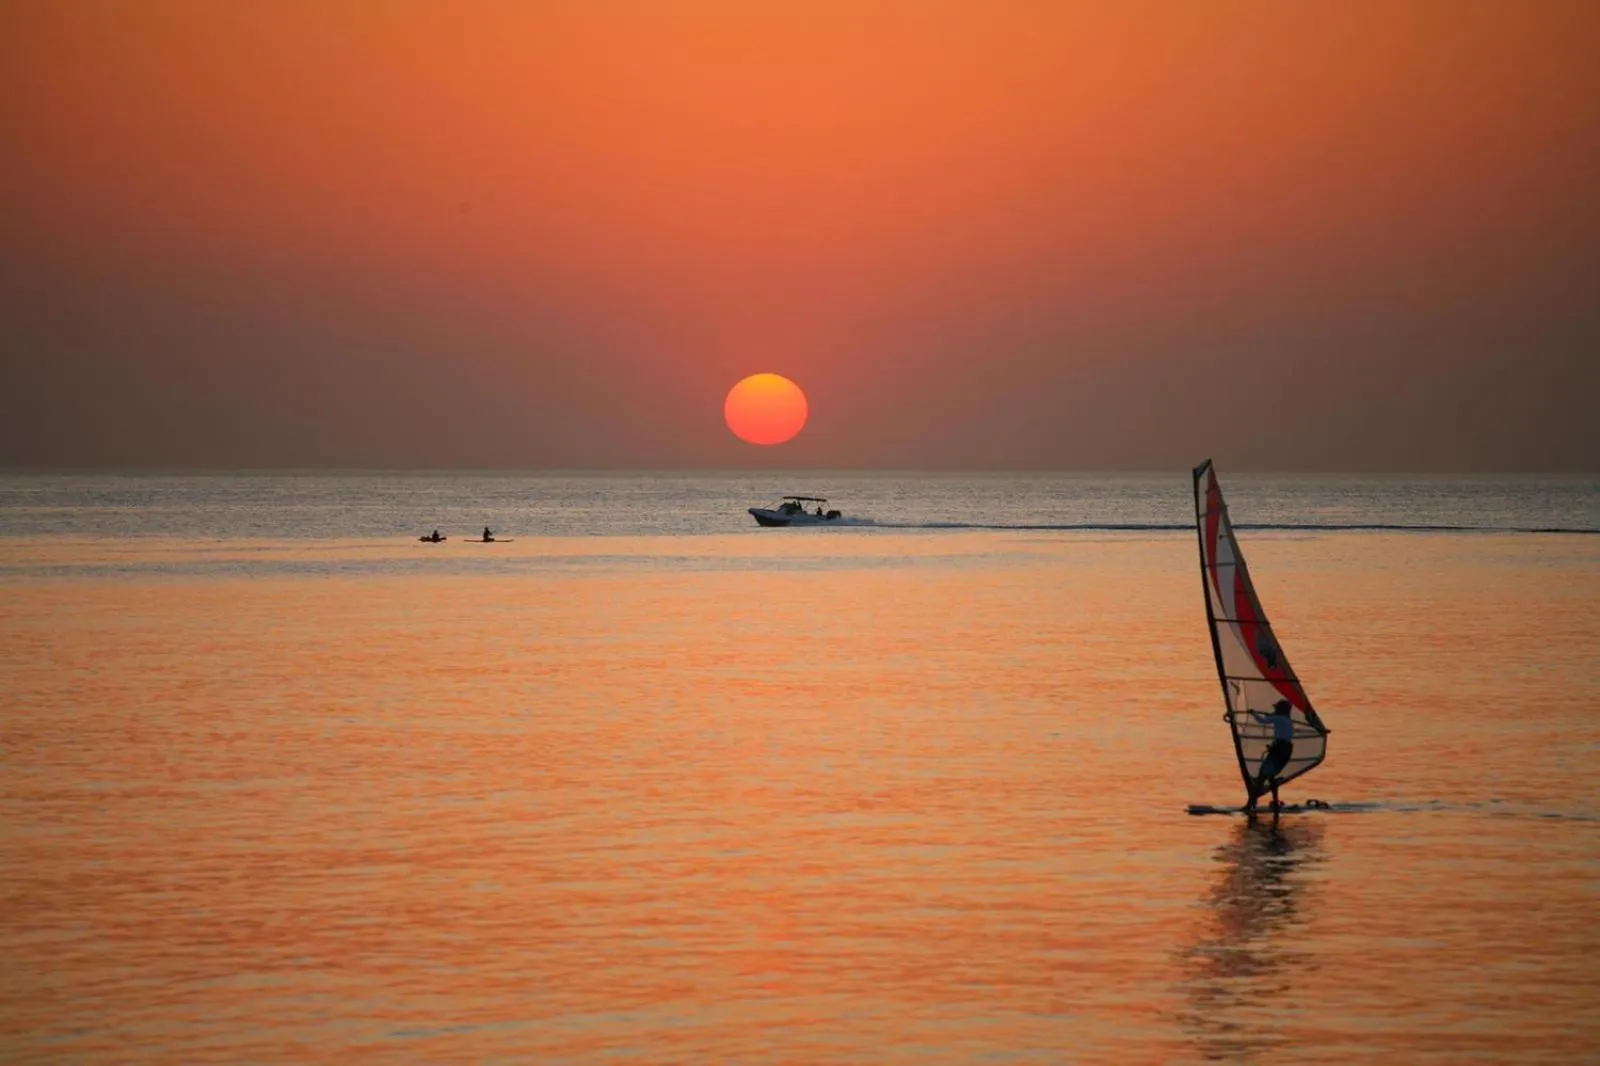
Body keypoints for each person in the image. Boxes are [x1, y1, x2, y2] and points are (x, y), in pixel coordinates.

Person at [1245, 700, 1296, 812]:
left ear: (1280, 710)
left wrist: (1253, 713)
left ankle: (1251, 804)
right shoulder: (1287, 721)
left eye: (1276, 708)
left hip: (1279, 749)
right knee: (1271, 777)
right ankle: (1275, 801)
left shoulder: (1278, 719)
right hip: (1286, 750)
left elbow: (1262, 720)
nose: (1274, 710)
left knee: (1262, 776)